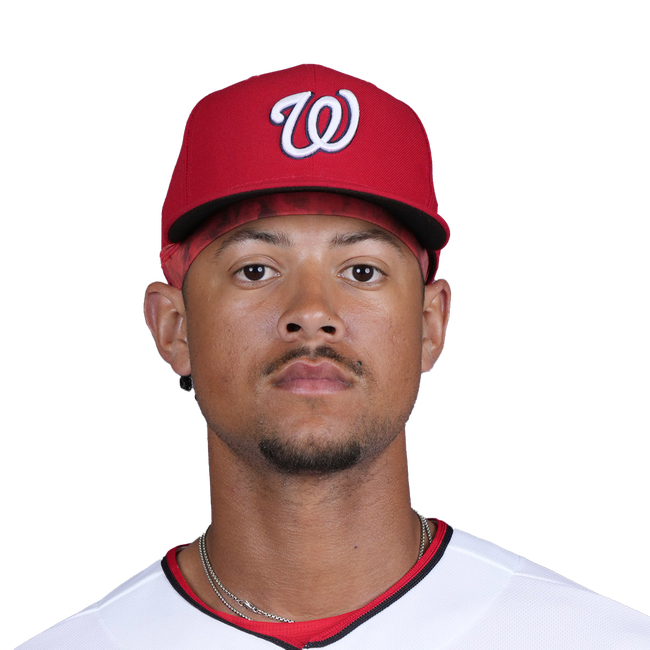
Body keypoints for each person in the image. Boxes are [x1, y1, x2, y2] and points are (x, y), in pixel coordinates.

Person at [17, 63, 648, 649]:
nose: (312, 311)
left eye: (363, 270)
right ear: (174, 328)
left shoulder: (597, 638)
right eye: (256, 269)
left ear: (431, 325)